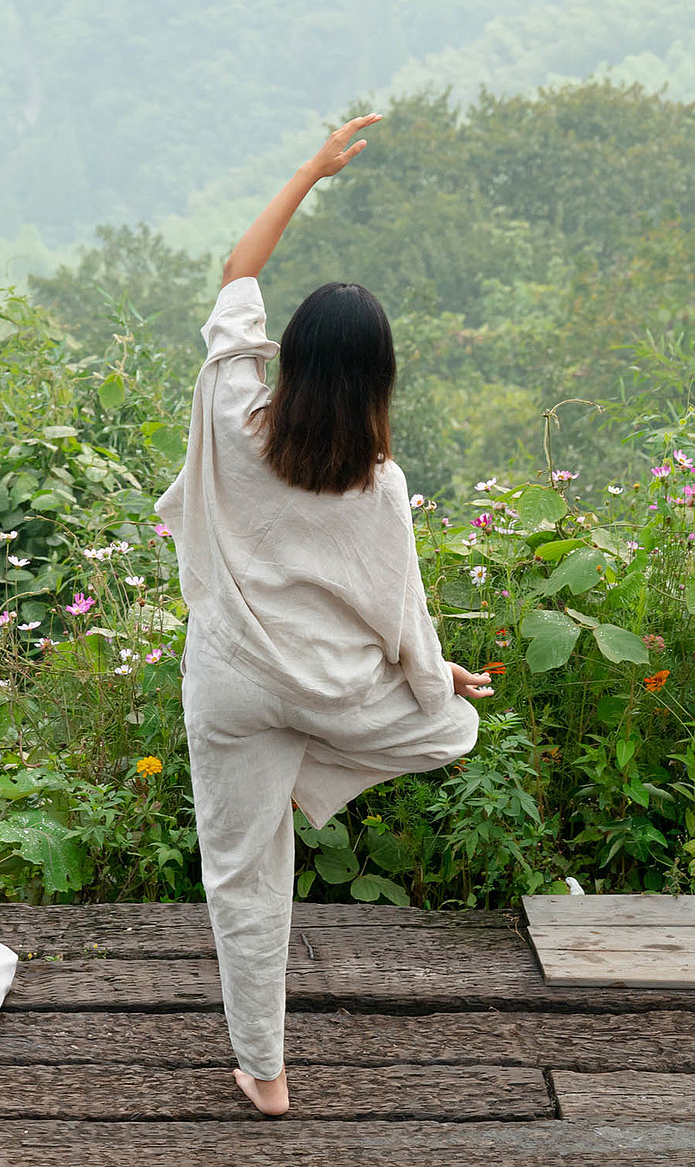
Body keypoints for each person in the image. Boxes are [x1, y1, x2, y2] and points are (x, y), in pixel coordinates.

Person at [154, 112, 491, 1118]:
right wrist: (440, 681)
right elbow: (400, 612)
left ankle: (263, 1071)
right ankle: (310, 769)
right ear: (377, 380)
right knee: (452, 726)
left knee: (242, 876)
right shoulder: (375, 483)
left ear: (288, 354)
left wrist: (310, 169)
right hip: (332, 694)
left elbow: (232, 270)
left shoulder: (229, 403)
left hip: (229, 685)